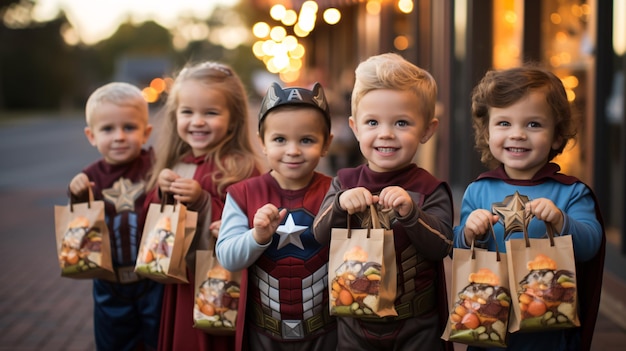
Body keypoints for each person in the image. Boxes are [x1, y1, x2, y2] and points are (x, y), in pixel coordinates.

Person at [453, 65, 605, 351]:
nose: (518, 134)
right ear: (486, 132)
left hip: (547, 321)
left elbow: (590, 246)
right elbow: (459, 249)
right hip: (487, 321)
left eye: (533, 124)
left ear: (557, 135)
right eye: (504, 123)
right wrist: (470, 232)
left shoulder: (572, 192)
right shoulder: (478, 190)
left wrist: (562, 222)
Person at [312, 53, 454, 351]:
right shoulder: (345, 181)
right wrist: (339, 204)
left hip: (416, 323)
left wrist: (412, 213)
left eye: (402, 122)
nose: (386, 134)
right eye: (372, 122)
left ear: (427, 129)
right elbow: (319, 234)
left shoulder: (430, 188)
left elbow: (442, 245)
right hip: (354, 321)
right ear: (355, 127)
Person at [144, 61, 261, 351]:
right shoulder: (174, 164)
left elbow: (252, 224)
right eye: (188, 112)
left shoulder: (241, 167)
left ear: (233, 120)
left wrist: (203, 200)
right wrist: (161, 192)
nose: (197, 121)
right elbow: (150, 218)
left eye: (210, 113)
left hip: (218, 279)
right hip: (181, 280)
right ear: (174, 117)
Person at [216, 82, 337, 351]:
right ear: (262, 143)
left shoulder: (337, 191)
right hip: (263, 333)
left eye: (306, 140)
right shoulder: (243, 194)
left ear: (326, 143)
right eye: (280, 139)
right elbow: (228, 257)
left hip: (327, 332)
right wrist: (257, 236)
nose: (293, 150)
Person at [68, 82, 162, 351]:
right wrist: (75, 193)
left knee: (158, 340)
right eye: (108, 129)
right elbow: (79, 223)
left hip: (153, 279)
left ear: (146, 132)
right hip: (110, 283)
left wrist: (168, 178)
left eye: (129, 127)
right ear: (91, 135)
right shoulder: (90, 177)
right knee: (114, 343)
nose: (119, 136)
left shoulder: (155, 165)